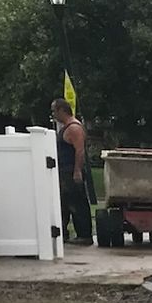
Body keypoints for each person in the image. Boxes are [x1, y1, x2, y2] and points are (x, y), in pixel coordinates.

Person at [51, 98, 94, 245]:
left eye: (54, 111)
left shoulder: (74, 128)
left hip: (71, 171)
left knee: (77, 203)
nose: (53, 114)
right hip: (64, 172)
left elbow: (79, 151)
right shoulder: (65, 127)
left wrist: (77, 171)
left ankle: (84, 235)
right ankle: (63, 233)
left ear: (62, 110)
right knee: (65, 203)